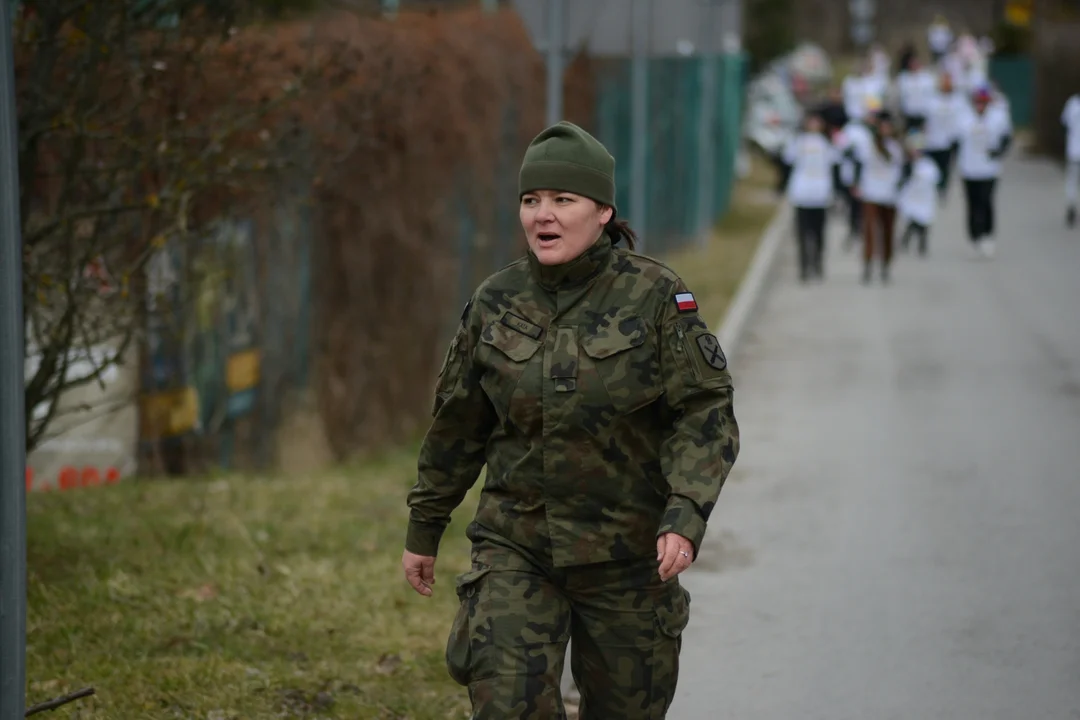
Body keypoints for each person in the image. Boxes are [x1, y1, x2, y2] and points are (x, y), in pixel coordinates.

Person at [402, 121, 741, 719]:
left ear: (603, 210)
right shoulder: (495, 300)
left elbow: (703, 412)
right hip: (518, 546)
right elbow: (458, 424)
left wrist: (684, 517)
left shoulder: (657, 296)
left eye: (563, 199)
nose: (543, 215)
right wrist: (425, 526)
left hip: (628, 553)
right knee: (507, 707)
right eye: (531, 200)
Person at [957, 86, 1013, 258]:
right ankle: (974, 236)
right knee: (972, 204)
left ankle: (987, 234)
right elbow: (955, 142)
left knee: (986, 202)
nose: (980, 105)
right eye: (977, 102)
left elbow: (1007, 138)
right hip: (969, 169)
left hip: (989, 170)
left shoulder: (998, 117)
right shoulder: (964, 118)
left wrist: (999, 152)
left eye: (983, 102)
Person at [849, 111, 905, 284]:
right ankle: (867, 265)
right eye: (882, 127)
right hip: (871, 192)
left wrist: (899, 187)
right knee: (870, 231)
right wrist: (856, 184)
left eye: (888, 127)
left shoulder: (896, 146)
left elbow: (903, 170)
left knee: (887, 231)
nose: (885, 130)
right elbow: (858, 163)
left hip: (889, 194)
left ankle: (885, 265)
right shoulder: (868, 145)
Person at [783, 112, 839, 281]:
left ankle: (817, 263)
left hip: (820, 194)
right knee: (802, 233)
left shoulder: (826, 143)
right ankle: (804, 266)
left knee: (819, 232)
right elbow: (787, 158)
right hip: (802, 193)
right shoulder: (798, 141)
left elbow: (835, 161)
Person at [898, 132, 942, 256]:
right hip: (912, 197)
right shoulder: (908, 164)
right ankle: (906, 239)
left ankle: (922, 244)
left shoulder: (929, 165)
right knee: (912, 219)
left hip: (925, 198)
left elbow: (936, 180)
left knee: (924, 222)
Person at [923, 71, 964, 201]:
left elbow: (961, 121)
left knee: (945, 167)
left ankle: (942, 189)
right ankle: (932, 188)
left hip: (948, 141)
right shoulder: (932, 100)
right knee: (931, 167)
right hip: (932, 140)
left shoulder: (958, 100)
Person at [896, 55, 937, 134]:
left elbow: (931, 95)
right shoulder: (904, 78)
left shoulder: (926, 78)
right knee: (913, 137)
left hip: (923, 113)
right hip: (910, 113)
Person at [1061, 91, 1080, 227]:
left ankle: (1071, 206)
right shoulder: (1072, 103)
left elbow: (1065, 123)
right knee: (1072, 180)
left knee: (1072, 181)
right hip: (1074, 150)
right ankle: (1071, 207)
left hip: (1074, 150)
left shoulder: (1072, 103)